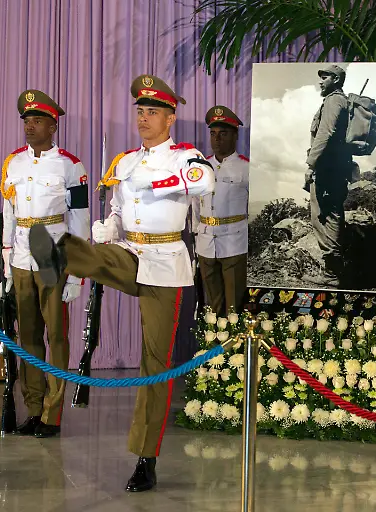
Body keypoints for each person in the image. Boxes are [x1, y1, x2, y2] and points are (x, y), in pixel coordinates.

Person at [27, 75, 215, 492]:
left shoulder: (186, 155)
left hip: (166, 262)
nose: (144, 119)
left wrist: (160, 183)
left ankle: (146, 458)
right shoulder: (125, 162)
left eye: (152, 112)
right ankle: (60, 253)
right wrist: (108, 226)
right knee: (100, 255)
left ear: (170, 117)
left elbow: (205, 182)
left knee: (156, 363)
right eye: (140, 112)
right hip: (129, 253)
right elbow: (117, 208)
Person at [0, 89, 90, 438]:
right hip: (22, 257)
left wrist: (76, 275)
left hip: (53, 257)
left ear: (53, 125)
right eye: (26, 120)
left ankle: (52, 414)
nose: (30, 126)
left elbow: (80, 219)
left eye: (37, 120)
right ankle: (33, 408)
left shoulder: (70, 165)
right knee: (28, 337)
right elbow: (8, 212)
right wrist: (7, 262)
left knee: (57, 335)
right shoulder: (13, 162)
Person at [191, 105, 249, 315]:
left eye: (223, 134)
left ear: (235, 136)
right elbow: (195, 203)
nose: (217, 139)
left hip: (235, 242)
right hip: (206, 243)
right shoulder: (201, 167)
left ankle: (233, 347)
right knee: (211, 307)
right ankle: (211, 347)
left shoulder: (246, 168)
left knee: (235, 307)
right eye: (213, 134)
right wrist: (196, 231)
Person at [303, 64, 353, 287]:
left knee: (325, 217)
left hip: (328, 169)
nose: (320, 81)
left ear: (336, 79)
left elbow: (325, 133)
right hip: (333, 167)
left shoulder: (334, 100)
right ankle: (333, 271)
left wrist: (311, 164)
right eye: (320, 77)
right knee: (326, 215)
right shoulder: (335, 100)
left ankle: (332, 274)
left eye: (325, 77)